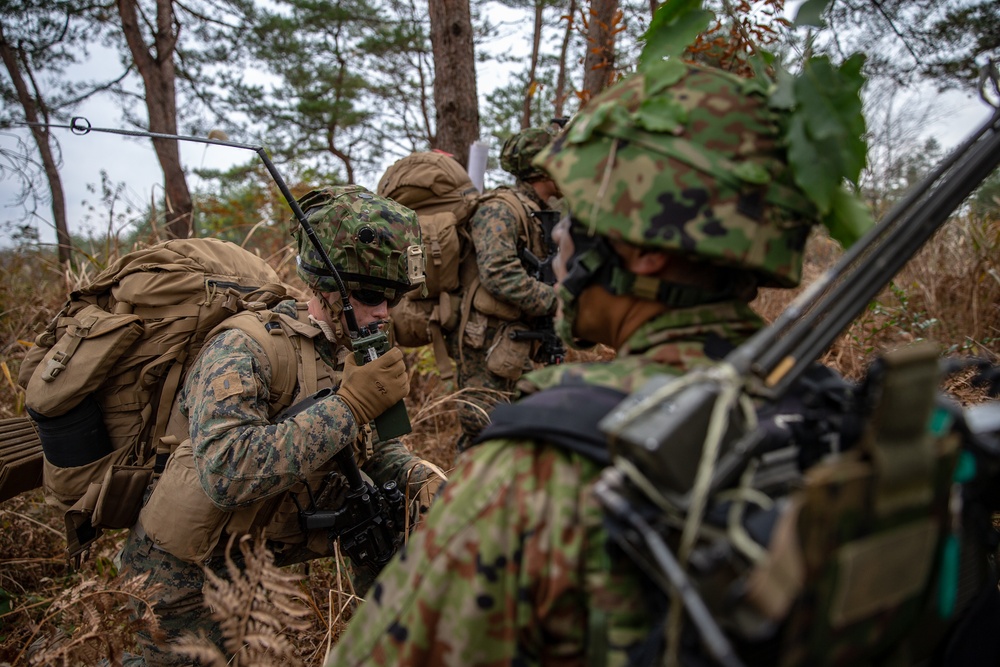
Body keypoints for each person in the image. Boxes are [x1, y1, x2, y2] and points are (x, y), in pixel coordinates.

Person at [322, 64, 997, 666]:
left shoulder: (545, 468)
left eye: (580, 214)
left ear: (644, 251)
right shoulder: (841, 416)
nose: (560, 234)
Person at [119, 185, 446, 665]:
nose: (385, 311)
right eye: (374, 295)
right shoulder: (245, 347)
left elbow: (374, 453)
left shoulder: (356, 344)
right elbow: (226, 471)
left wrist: (427, 482)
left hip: (263, 548)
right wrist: (350, 405)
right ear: (328, 287)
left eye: (396, 298)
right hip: (186, 570)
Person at [448, 126, 562, 450]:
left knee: (522, 436)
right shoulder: (499, 209)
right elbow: (498, 273)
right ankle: (459, 499)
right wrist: (554, 301)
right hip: (487, 342)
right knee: (485, 433)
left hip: (518, 341)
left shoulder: (535, 213)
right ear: (542, 167)